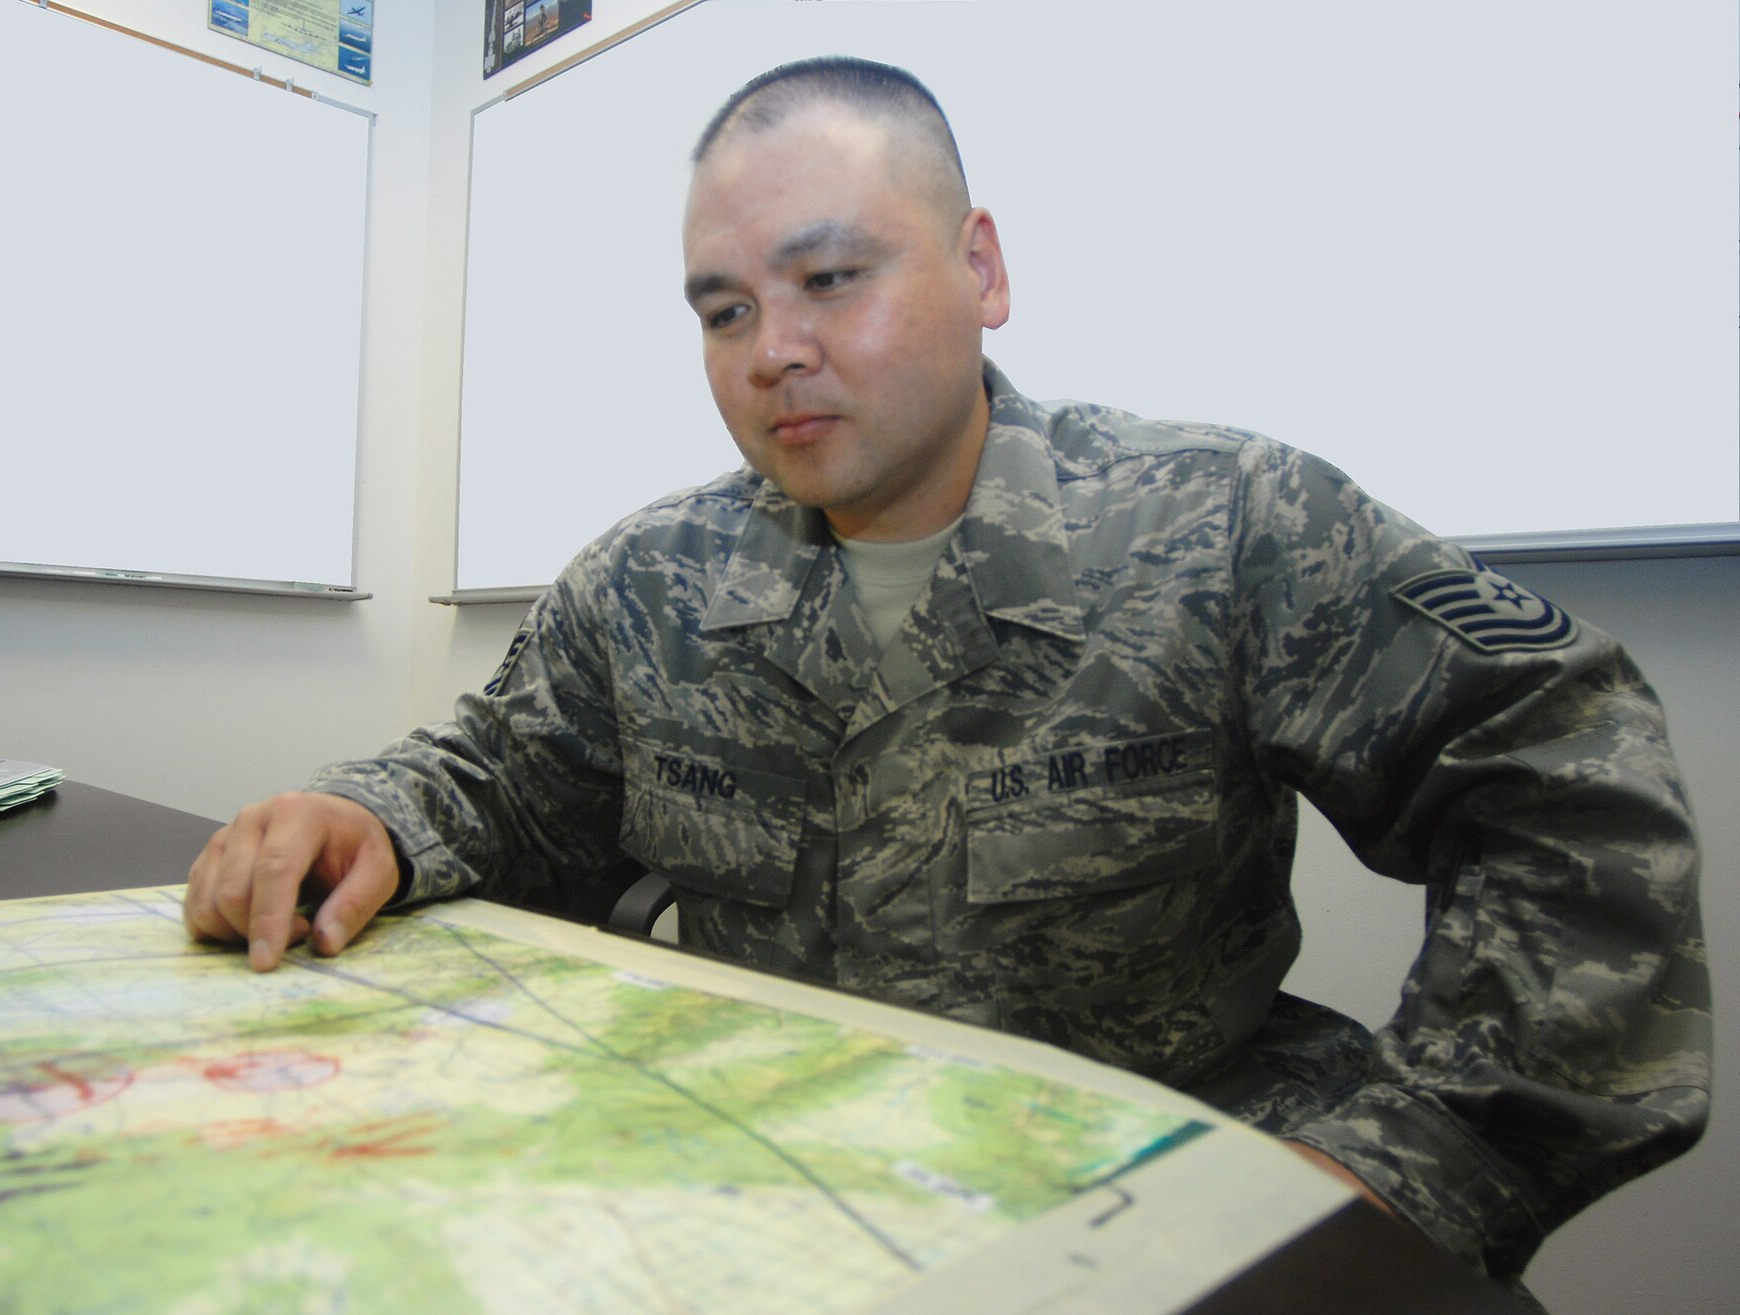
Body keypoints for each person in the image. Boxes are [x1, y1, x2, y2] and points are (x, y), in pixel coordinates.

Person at [184, 57, 1708, 1291]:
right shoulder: (652, 578)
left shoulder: (1227, 524)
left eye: (830, 278)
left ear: (981, 267)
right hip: (771, 1179)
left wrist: (1407, 1170)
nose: (771, 349)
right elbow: (511, 783)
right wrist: (362, 812)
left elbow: (1567, 782)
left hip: (1166, 1186)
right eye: (722, 309)